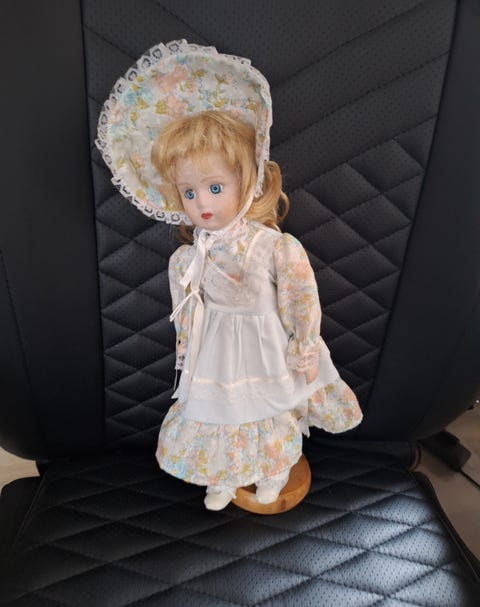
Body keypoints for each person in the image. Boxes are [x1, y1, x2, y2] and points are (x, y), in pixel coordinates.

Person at [95, 40, 363, 512]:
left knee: (268, 406)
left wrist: (304, 347)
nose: (202, 202)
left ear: (247, 179)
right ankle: (224, 473)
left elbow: (301, 300)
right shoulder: (187, 258)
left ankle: (274, 468)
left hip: (264, 345)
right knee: (219, 411)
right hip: (216, 349)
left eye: (215, 186)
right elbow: (186, 314)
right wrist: (187, 354)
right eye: (189, 191)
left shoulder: (273, 247)